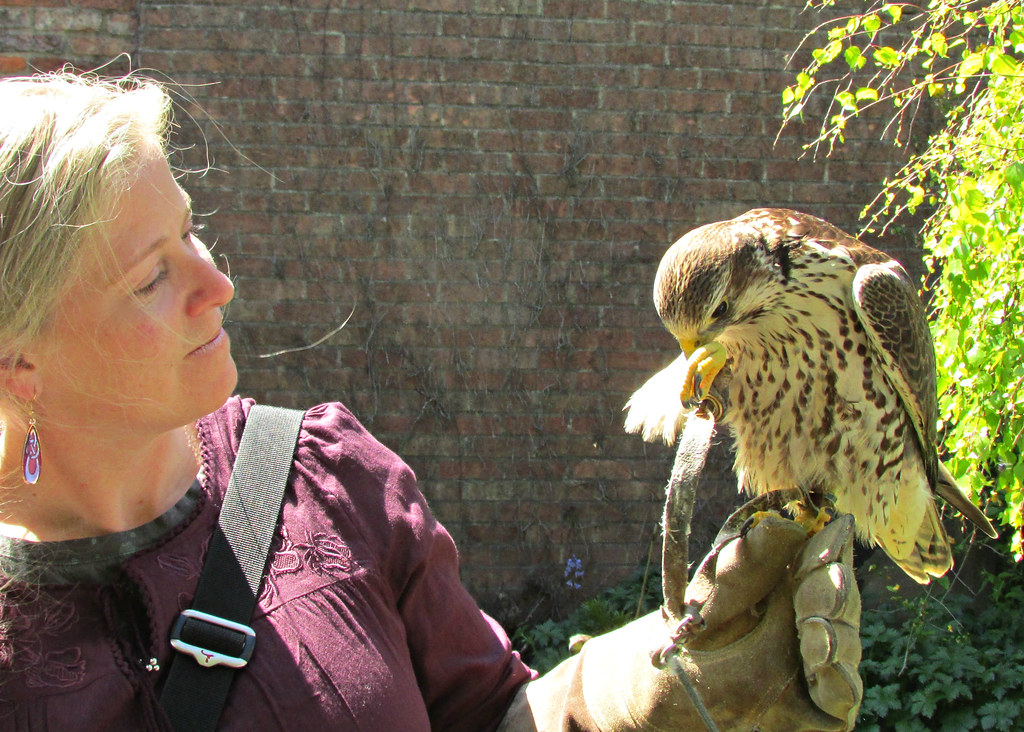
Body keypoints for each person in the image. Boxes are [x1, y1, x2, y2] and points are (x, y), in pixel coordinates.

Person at [0, 71, 862, 731]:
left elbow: (494, 716)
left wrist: (656, 686)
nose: (217, 283)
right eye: (152, 275)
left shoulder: (323, 482)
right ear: (20, 361)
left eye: (191, 229)